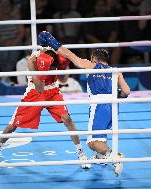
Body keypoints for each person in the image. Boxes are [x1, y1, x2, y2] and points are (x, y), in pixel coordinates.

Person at [38, 31, 130, 176]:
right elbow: (126, 91)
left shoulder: (92, 66)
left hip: (99, 106)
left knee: (91, 143)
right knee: (100, 137)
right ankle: (102, 157)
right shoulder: (116, 71)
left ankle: (114, 156)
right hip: (113, 107)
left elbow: (69, 56)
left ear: (94, 59)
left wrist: (52, 42)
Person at [0, 47, 91, 169]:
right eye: (49, 68)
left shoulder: (56, 55)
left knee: (67, 119)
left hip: (53, 92)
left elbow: (64, 58)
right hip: (35, 93)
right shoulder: (32, 61)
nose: (51, 71)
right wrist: (43, 71)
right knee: (13, 125)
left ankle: (81, 152)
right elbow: (39, 88)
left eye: (52, 69)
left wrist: (62, 62)